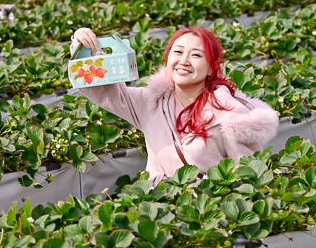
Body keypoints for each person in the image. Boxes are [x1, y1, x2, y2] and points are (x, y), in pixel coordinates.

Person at [70, 26, 279, 183]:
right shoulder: (150, 103)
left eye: (196, 55)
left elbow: (248, 175)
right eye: (178, 52)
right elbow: (102, 90)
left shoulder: (231, 116)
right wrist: (82, 46)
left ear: (210, 69)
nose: (184, 61)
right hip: (158, 210)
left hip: (207, 217)